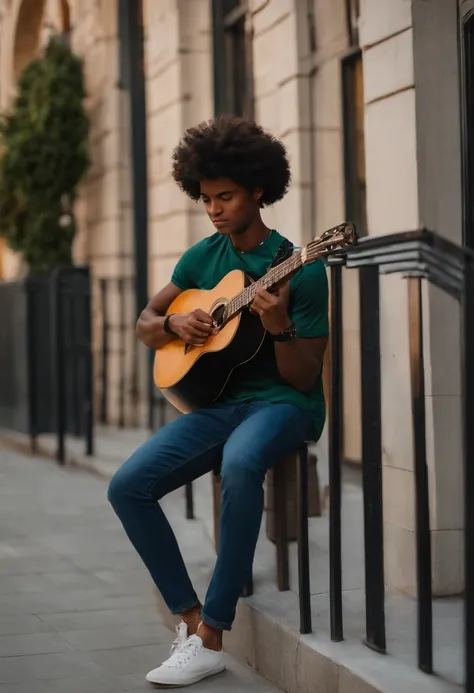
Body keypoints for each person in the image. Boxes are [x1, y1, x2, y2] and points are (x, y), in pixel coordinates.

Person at [107, 115, 329, 688]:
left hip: (283, 403)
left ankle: (215, 634)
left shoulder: (302, 268)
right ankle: (191, 620)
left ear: (259, 189)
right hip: (220, 404)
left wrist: (278, 324)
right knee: (127, 486)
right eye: (205, 198)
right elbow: (146, 323)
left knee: (240, 462)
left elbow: (304, 376)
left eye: (225, 197)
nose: (214, 209)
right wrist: (176, 320)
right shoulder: (200, 260)